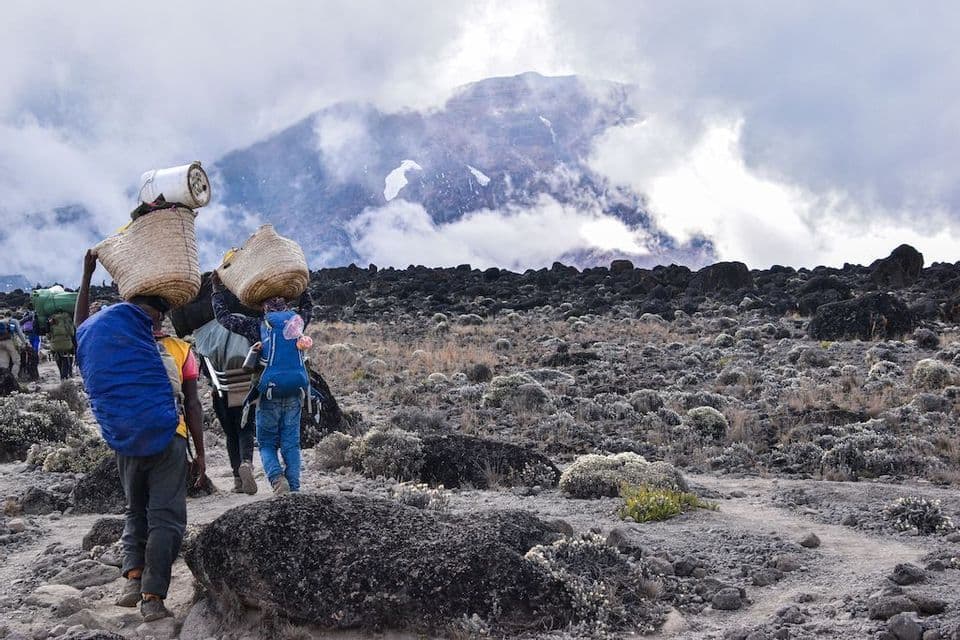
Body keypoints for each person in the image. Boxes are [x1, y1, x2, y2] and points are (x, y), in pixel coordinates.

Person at [75, 249, 205, 622]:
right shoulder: (180, 350)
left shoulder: (111, 341)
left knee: (136, 509)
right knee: (167, 517)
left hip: (125, 437)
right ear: (161, 315)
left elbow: (81, 328)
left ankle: (132, 579)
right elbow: (193, 406)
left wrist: (87, 275)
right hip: (170, 438)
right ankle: (152, 596)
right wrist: (201, 455)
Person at [210, 271, 312, 494]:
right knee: (291, 444)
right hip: (295, 391)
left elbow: (224, 319)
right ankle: (293, 488)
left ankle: (277, 480)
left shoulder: (256, 326)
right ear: (285, 305)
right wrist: (303, 286)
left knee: (266, 444)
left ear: (263, 306)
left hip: (267, 394)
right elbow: (308, 307)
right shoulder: (298, 322)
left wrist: (217, 291)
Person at [48, 311, 76, 380]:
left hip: (54, 345)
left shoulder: (51, 320)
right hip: (66, 344)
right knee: (65, 359)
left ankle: (61, 373)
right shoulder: (66, 319)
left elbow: (48, 335)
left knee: (58, 358)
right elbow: (71, 332)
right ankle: (65, 376)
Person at [18, 311, 41, 382]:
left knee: (25, 359)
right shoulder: (35, 316)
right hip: (34, 335)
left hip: (27, 337)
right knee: (34, 356)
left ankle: (25, 375)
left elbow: (20, 327)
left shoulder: (25, 317)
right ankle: (34, 375)